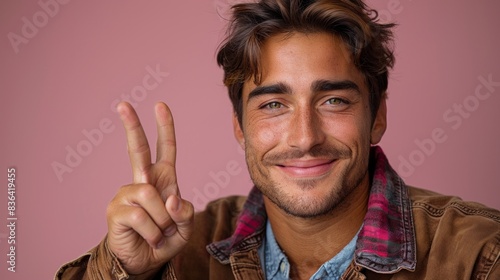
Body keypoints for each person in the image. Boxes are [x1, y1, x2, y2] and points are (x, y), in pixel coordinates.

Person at [56, 0, 500, 279]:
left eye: (333, 101)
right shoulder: (178, 252)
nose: (304, 138)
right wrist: (125, 272)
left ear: (377, 116)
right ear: (239, 125)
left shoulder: (479, 256)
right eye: (272, 105)